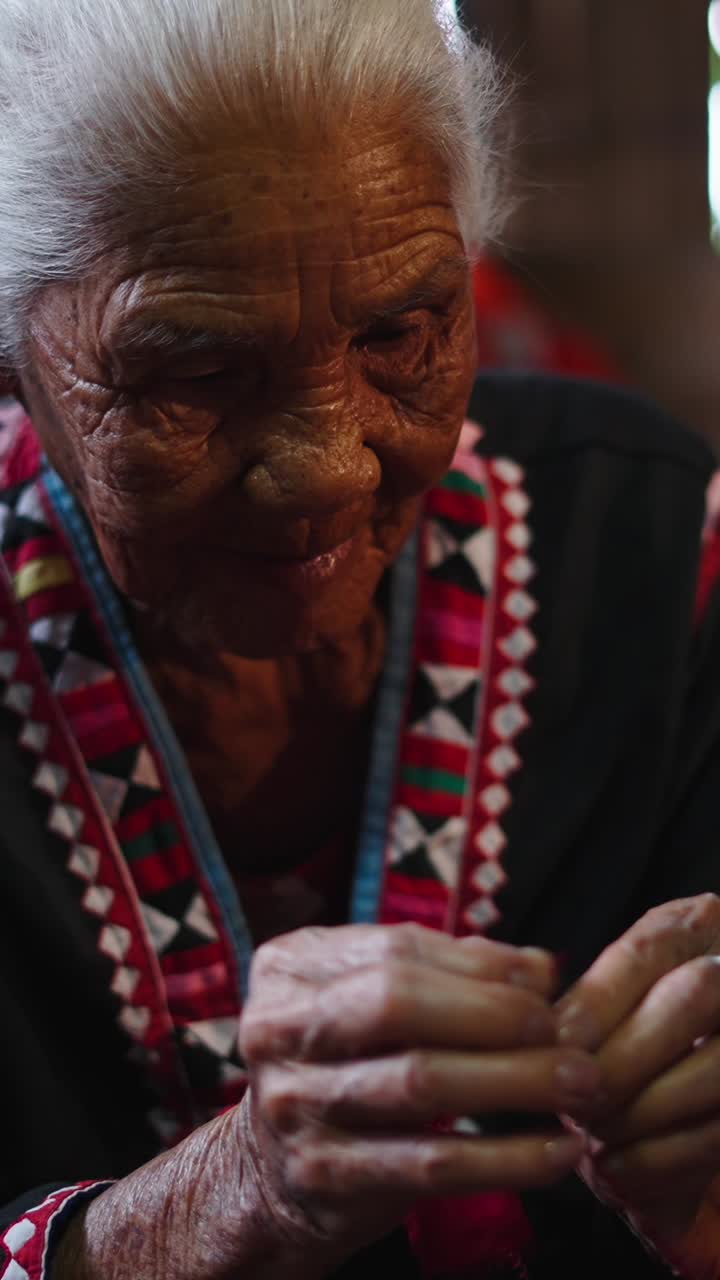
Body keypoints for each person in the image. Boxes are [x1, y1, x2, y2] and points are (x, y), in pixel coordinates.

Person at [1, 2, 720, 1278]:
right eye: (198, 372)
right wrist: (206, 1204)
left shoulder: (665, 563)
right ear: (16, 353)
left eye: (400, 331)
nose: (327, 470)